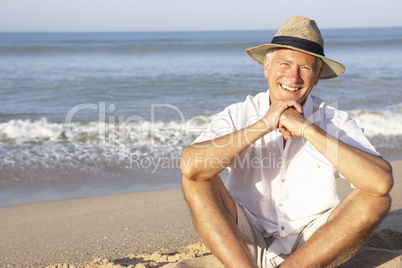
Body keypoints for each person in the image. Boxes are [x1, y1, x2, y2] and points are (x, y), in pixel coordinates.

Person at [180, 16, 393, 268]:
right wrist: (264, 124)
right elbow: (190, 165)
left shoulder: (334, 120)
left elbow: (381, 183)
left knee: (376, 199)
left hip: (314, 245)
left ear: (316, 76)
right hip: (245, 241)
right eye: (285, 63)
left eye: (305, 67)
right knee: (196, 179)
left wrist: (306, 128)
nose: (293, 77)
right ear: (266, 67)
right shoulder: (238, 114)